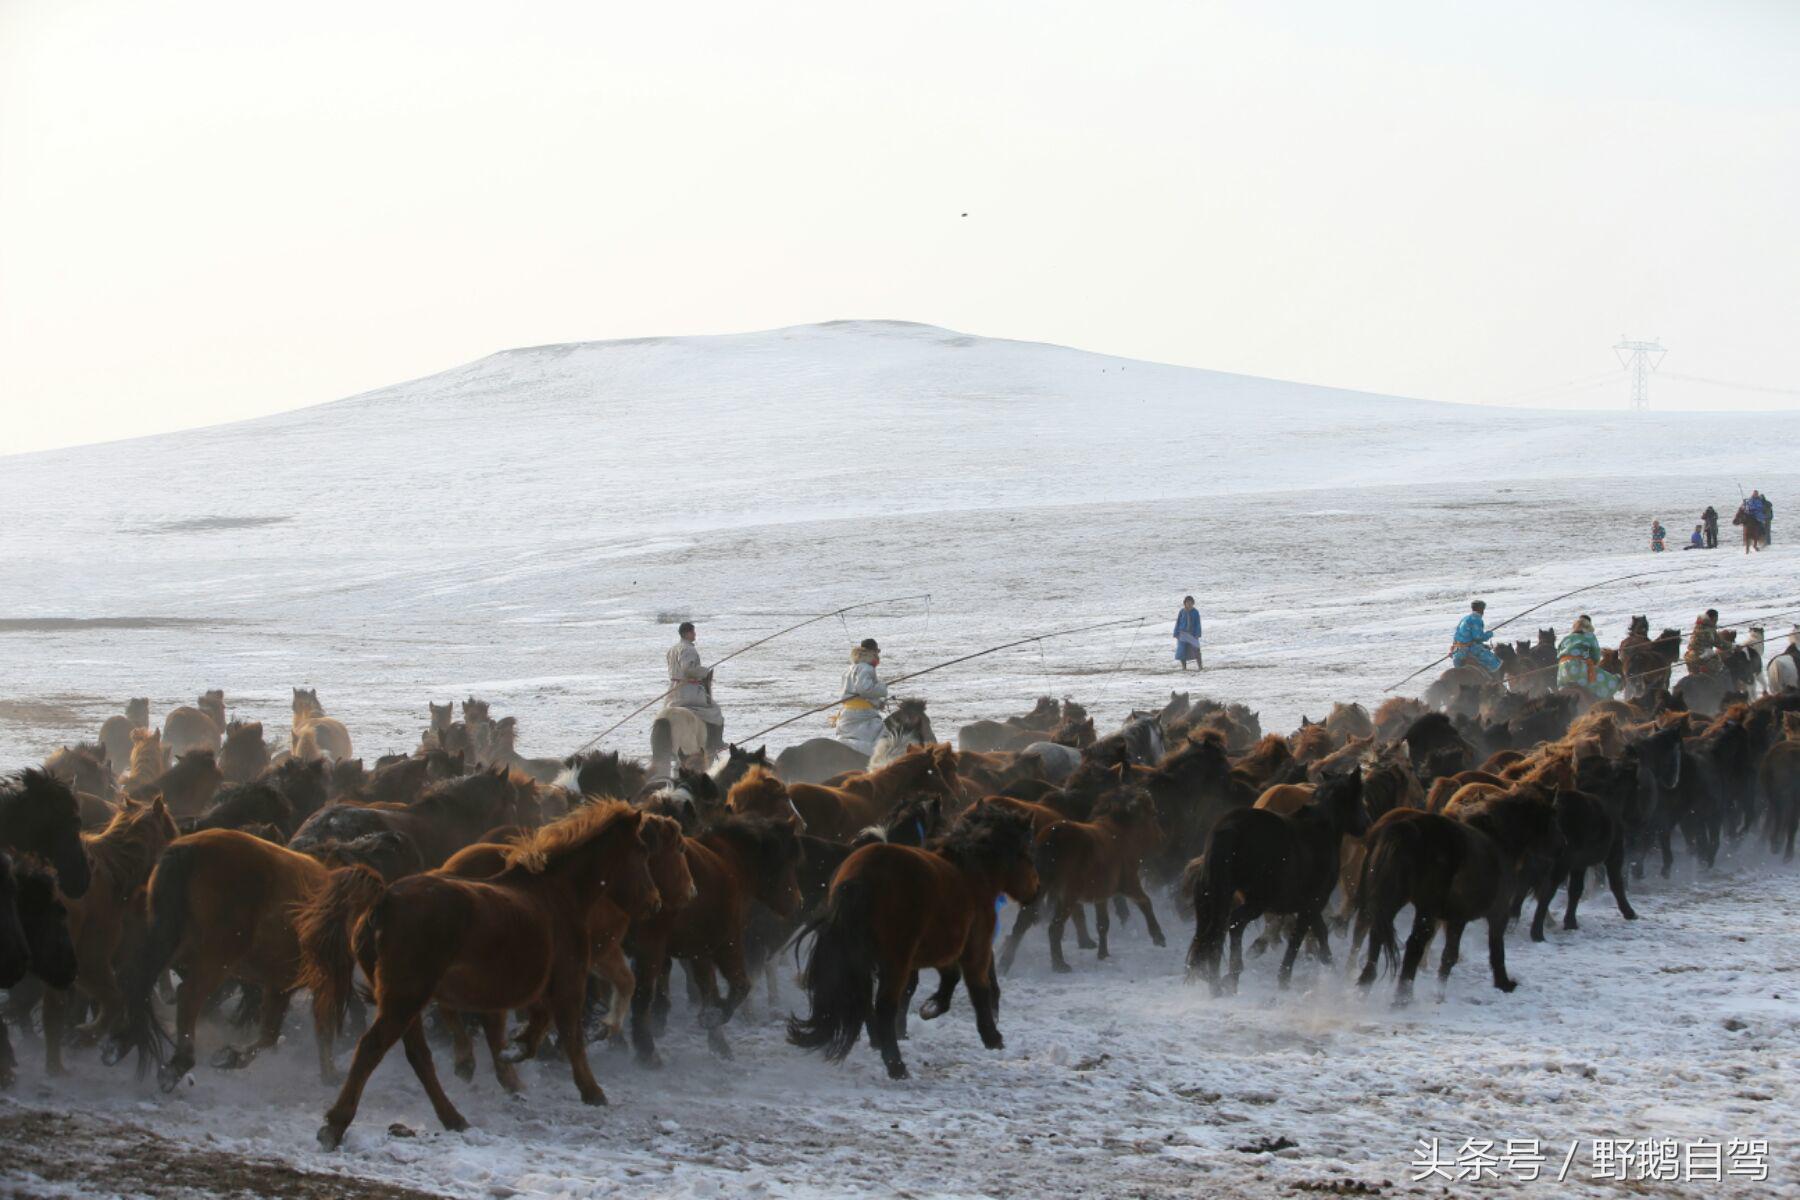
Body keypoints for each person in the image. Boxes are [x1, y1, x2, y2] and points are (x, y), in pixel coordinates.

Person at [667, 621, 724, 754]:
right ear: (687, 633)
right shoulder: (688, 649)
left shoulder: (672, 649)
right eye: (693, 632)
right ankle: (716, 742)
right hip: (688, 690)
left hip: (673, 690)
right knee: (715, 710)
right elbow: (688, 670)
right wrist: (704, 671)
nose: (695, 634)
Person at [834, 637, 889, 754]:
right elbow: (864, 689)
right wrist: (882, 688)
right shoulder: (867, 668)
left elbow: (856, 694)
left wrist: (878, 703)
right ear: (873, 652)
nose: (878, 656)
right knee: (883, 737)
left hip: (846, 713)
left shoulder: (849, 669)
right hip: (862, 714)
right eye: (877, 652)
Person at [1556, 615, 1619, 699]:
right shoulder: (1589, 636)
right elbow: (1596, 655)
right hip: (1579, 668)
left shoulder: (1566, 638)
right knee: (1606, 680)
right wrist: (1592, 662)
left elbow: (1558, 653)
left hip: (1563, 671)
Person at [1451, 600, 1502, 675]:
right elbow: (1478, 638)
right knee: (1495, 662)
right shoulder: (1477, 619)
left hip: (1457, 652)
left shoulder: (1465, 618)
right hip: (1469, 650)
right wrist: (1489, 634)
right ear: (1481, 610)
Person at [1684, 610, 1720, 676]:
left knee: (1693, 675)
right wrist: (1732, 646)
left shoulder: (1699, 625)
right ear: (1712, 618)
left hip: (1689, 656)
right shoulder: (1709, 629)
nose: (1716, 622)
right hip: (1700, 656)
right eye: (1716, 620)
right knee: (1719, 668)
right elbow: (1718, 643)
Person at [1173, 596, 1203, 670]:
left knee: (1196, 650)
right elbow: (1178, 622)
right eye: (1187, 603)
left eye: (1191, 603)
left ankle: (1200, 667)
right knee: (1181, 650)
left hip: (1192, 634)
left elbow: (1198, 624)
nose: (1189, 605)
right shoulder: (1182, 611)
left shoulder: (1195, 612)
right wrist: (1176, 633)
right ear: (1184, 604)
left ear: (1193, 604)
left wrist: (1197, 634)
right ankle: (1184, 667)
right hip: (1182, 633)